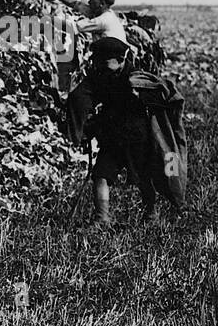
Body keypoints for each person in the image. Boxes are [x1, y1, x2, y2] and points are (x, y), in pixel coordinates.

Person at [65, 35, 186, 225]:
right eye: (97, 61)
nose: (99, 66)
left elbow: (160, 99)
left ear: (121, 60)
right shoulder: (100, 76)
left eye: (104, 62)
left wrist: (140, 97)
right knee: (101, 175)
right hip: (112, 138)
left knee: (144, 178)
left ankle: (150, 215)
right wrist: (81, 127)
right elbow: (80, 97)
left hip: (138, 138)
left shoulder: (136, 80)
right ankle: (102, 218)